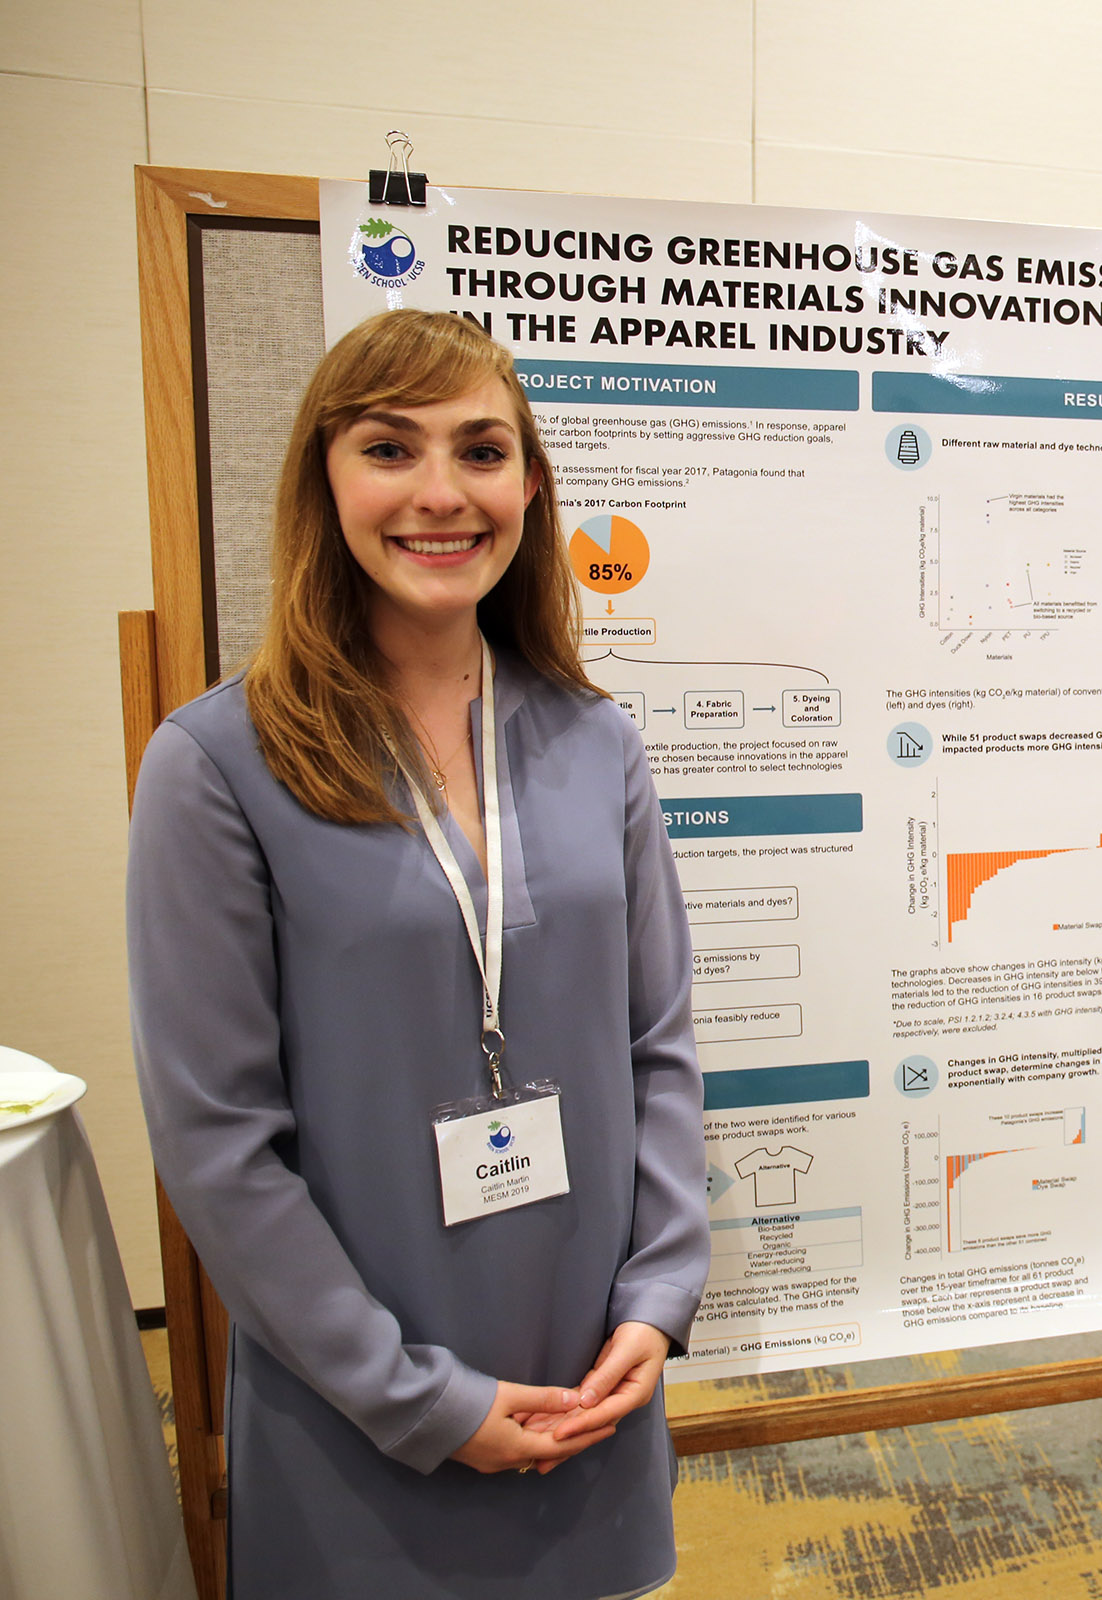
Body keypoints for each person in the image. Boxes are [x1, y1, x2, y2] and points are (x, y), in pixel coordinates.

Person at [127, 310, 709, 1598]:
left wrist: (658, 1297)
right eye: (390, 448)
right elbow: (218, 1139)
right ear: (324, 482)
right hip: (360, 1395)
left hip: (590, 1366)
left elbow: (656, 1046)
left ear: (530, 485)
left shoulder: (594, 741)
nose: (441, 494)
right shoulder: (219, 766)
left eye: (481, 451)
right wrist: (416, 1397)